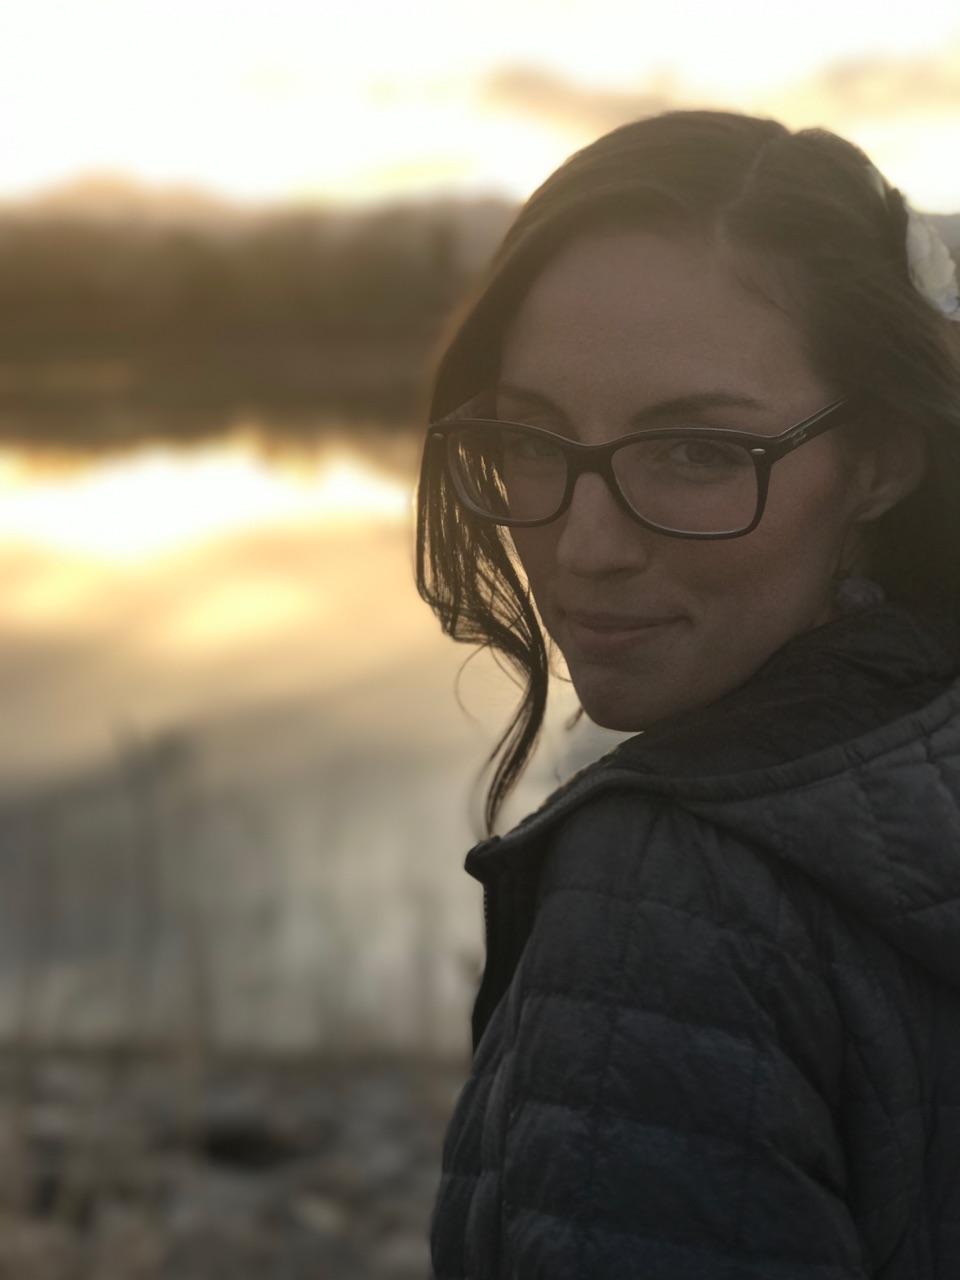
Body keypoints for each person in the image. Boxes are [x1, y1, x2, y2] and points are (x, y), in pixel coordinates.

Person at [415, 109, 960, 1277]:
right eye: (531, 439)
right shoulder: (930, 735)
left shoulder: (662, 891)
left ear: (880, 459)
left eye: (700, 451)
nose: (584, 546)